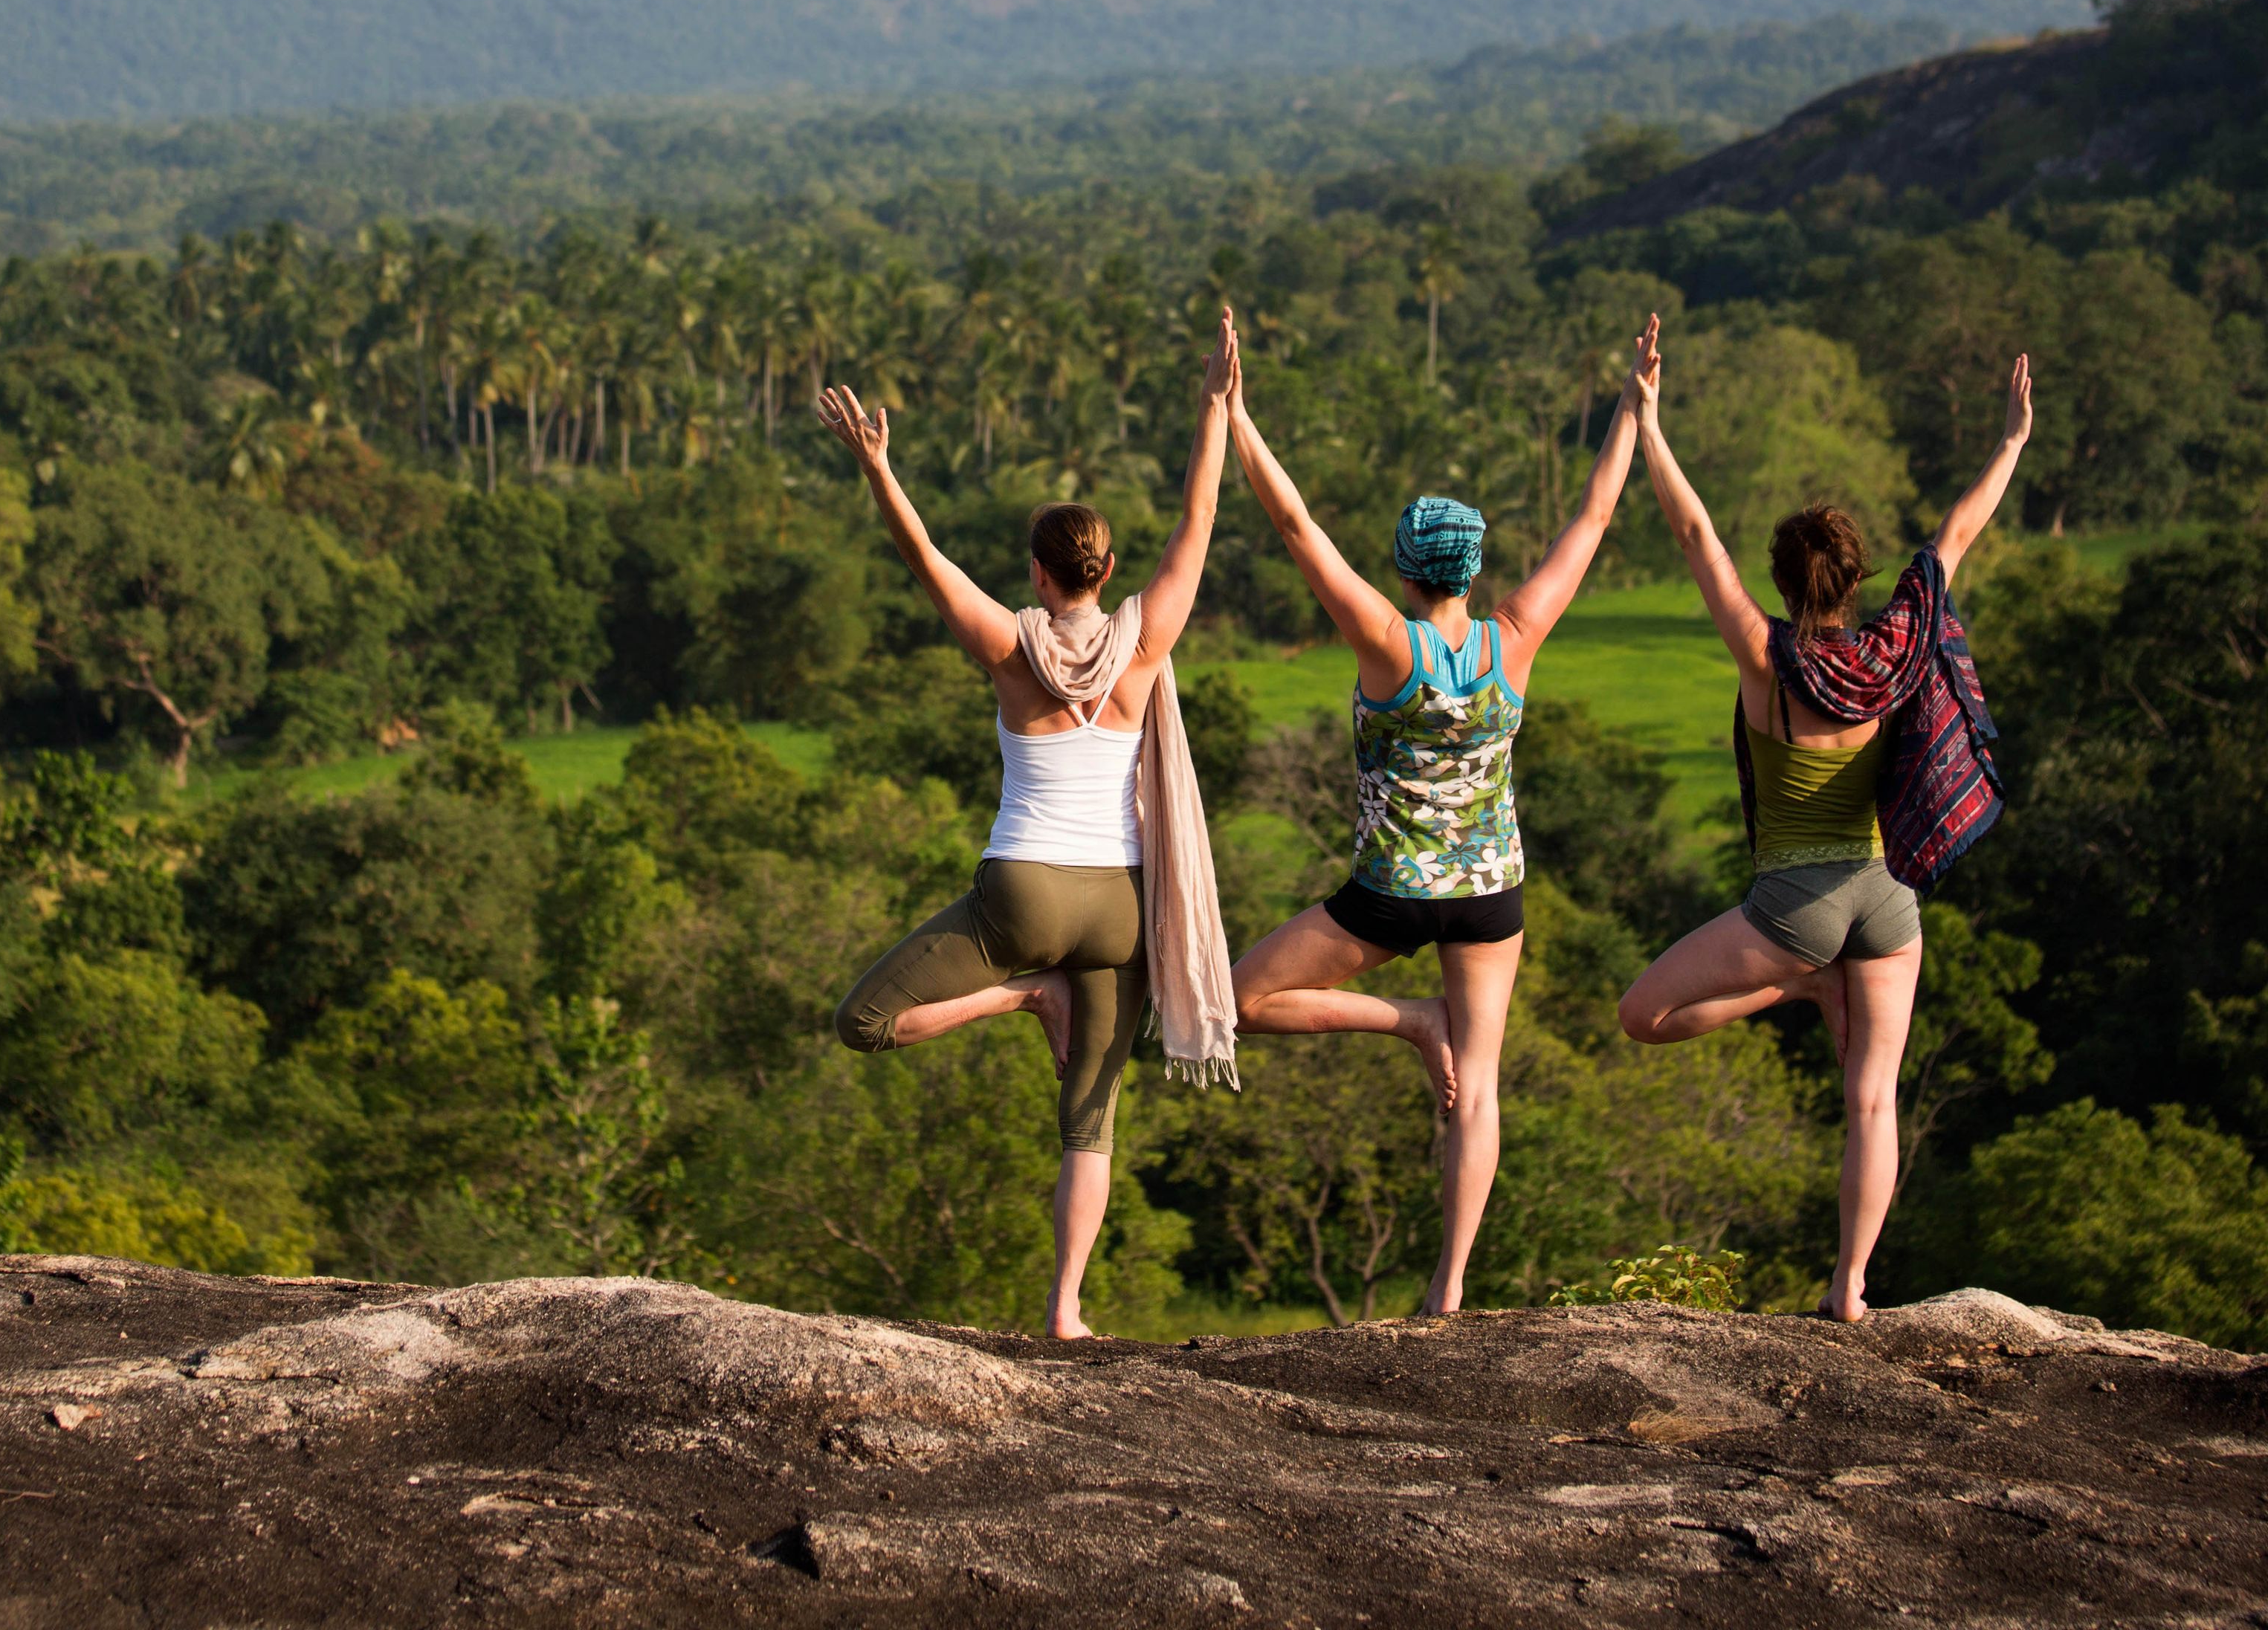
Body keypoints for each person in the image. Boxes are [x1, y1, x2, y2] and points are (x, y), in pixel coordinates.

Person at [821, 312, 1243, 1341]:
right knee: (1090, 1123)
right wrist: (1215, 409)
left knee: (863, 1023)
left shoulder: (1010, 646)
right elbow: (1199, 519)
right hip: (1121, 908)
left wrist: (878, 467)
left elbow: (922, 554)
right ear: (1106, 567)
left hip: (1020, 895)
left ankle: (1019, 997)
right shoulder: (1146, 639)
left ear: (1042, 574)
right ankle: (1066, 1311)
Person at [1221, 320, 1650, 1316]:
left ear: (1409, 570)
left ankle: (1410, 1022)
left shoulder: (1387, 643)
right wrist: (1634, 408)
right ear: (1472, 569)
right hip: (1492, 893)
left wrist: (1236, 414)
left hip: (1391, 896)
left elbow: (1296, 527)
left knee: (1240, 1001)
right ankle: (1449, 1290)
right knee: (1482, 1085)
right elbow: (1593, 518)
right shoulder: (1516, 638)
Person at [1616, 320, 2031, 1321]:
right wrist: (2012, 441)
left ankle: (1798, 986)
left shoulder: (1769, 662)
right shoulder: (1894, 649)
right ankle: (1850, 1290)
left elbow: (1695, 538)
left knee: (1642, 1017)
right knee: (1872, 1099)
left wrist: (1649, 422)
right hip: (1888, 898)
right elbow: (1955, 538)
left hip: (1793, 908)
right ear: (1854, 580)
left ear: (1784, 581)